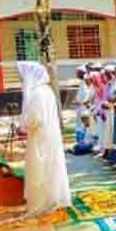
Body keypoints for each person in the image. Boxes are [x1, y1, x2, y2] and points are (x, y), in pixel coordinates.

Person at [16, 61, 71, 216]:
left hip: (40, 138)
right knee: (49, 167)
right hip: (47, 136)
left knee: (40, 169)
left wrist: (22, 128)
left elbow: (35, 118)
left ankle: (41, 204)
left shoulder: (38, 94)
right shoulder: (47, 91)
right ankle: (51, 199)